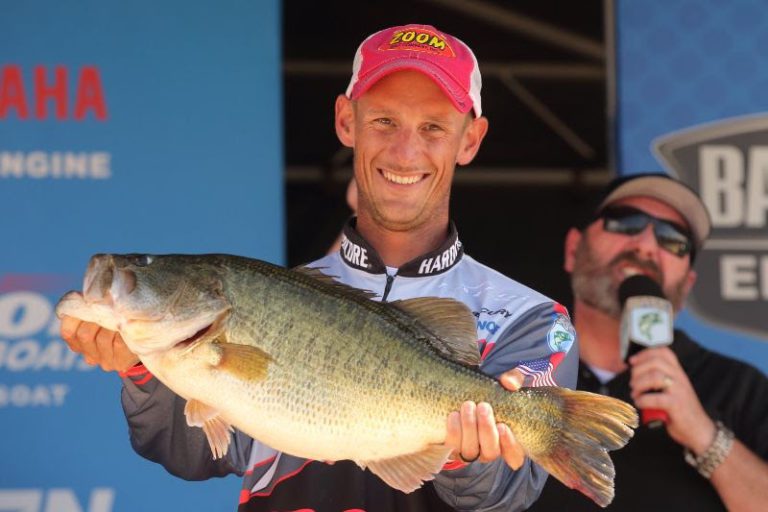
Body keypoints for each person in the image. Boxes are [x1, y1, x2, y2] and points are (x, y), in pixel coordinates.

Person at [60, 24, 579, 511]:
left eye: (433, 127)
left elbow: (509, 495)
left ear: (471, 139)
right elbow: (192, 453)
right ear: (345, 121)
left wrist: (472, 460)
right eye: (383, 120)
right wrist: (139, 369)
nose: (405, 150)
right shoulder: (284, 297)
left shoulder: (531, 318)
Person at [528, 173, 768, 512]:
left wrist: (703, 434)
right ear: (572, 249)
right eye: (626, 223)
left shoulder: (737, 387)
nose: (645, 244)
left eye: (673, 240)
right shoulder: (516, 367)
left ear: (687, 286)